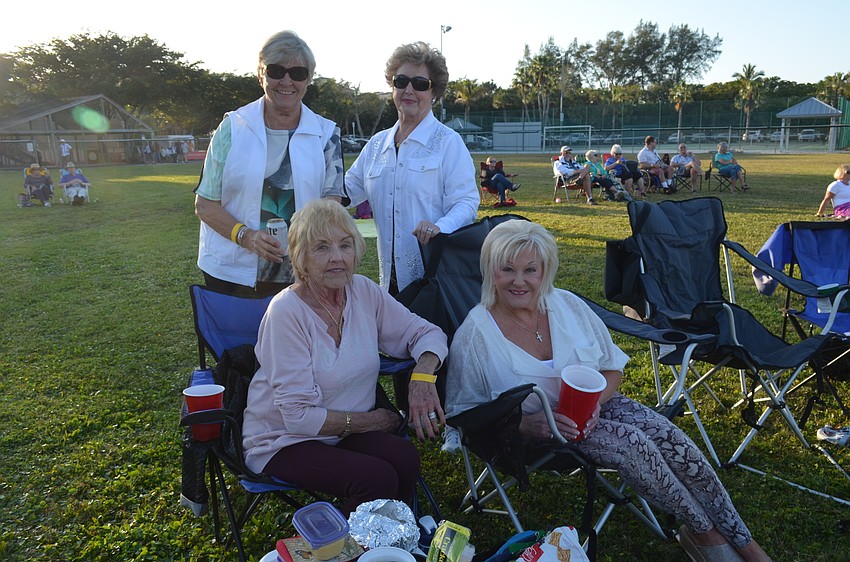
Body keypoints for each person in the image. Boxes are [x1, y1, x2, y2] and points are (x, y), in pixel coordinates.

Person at [445, 219, 772, 562]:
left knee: (675, 442)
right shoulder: (475, 334)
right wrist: (525, 425)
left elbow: (612, 367)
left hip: (597, 408)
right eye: (507, 269)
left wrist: (596, 404)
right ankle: (706, 534)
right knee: (635, 448)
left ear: (545, 270)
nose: (519, 280)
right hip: (538, 431)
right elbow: (464, 413)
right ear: (489, 270)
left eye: (530, 269)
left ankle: (744, 542)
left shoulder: (567, 306)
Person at [242, 199, 448, 516]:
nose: (337, 257)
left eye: (345, 245)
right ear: (301, 259)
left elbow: (427, 333)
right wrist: (374, 421)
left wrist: (421, 378)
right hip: (283, 439)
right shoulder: (286, 313)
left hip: (343, 433)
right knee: (375, 479)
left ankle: (389, 543)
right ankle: (329, 549)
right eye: (322, 248)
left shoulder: (364, 292)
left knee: (405, 458)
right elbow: (298, 417)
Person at [194, 30, 344, 297]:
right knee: (239, 340)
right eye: (276, 71)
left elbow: (331, 209)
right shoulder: (232, 128)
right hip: (232, 272)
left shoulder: (327, 134)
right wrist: (247, 237)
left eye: (298, 73)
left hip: (303, 272)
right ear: (260, 74)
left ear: (308, 80)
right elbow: (205, 204)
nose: (286, 81)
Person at [345, 41, 479, 296]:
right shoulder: (376, 145)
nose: (409, 90)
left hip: (433, 279)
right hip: (388, 284)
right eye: (401, 81)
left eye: (420, 84)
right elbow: (349, 189)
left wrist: (440, 227)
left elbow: (466, 202)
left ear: (434, 92)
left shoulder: (448, 143)